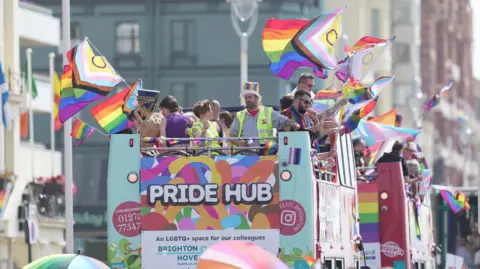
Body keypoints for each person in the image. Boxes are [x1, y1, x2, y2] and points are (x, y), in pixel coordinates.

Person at [230, 82, 299, 147]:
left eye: (250, 97)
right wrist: (241, 143)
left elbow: (284, 121)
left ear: (257, 98)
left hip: (265, 154)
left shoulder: (268, 112)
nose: (247, 100)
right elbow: (232, 136)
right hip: (245, 154)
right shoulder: (240, 115)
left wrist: (294, 124)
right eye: (246, 97)